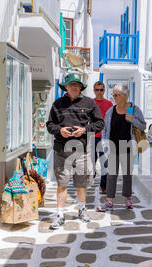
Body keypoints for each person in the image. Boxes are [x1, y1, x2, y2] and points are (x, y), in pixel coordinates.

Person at [46, 72, 104, 228]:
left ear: (81, 88)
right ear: (66, 87)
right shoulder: (57, 104)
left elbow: (100, 123)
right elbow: (50, 125)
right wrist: (60, 130)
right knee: (62, 183)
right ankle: (59, 214)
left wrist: (84, 130)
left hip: (81, 151)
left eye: (77, 85)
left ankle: (82, 209)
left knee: (81, 183)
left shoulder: (89, 103)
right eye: (72, 85)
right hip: (61, 151)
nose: (74, 87)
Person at [96, 83, 146, 211]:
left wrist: (133, 120)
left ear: (125, 95)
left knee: (127, 174)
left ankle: (127, 198)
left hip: (128, 146)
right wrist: (105, 145)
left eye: (116, 95)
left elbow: (143, 126)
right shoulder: (111, 111)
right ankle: (109, 201)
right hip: (113, 146)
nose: (114, 97)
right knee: (111, 175)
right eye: (113, 95)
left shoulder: (134, 109)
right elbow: (106, 130)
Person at [93, 81, 113, 193]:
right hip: (92, 137)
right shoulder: (90, 103)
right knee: (91, 163)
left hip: (104, 138)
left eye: (101, 90)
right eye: (97, 90)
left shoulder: (109, 104)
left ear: (104, 90)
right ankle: (90, 179)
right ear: (94, 91)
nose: (99, 92)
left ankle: (103, 186)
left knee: (105, 163)